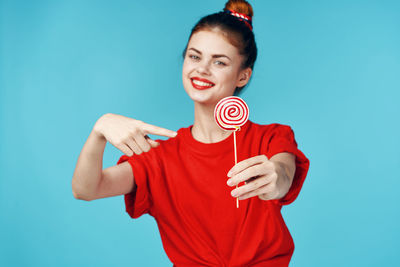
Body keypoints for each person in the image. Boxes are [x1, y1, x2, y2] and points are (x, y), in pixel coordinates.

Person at [71, 0, 310, 266]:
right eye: (195, 56)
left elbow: (283, 174)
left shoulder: (271, 138)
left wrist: (276, 178)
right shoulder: (159, 157)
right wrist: (100, 129)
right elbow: (86, 188)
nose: (202, 69)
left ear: (242, 76)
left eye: (219, 62)